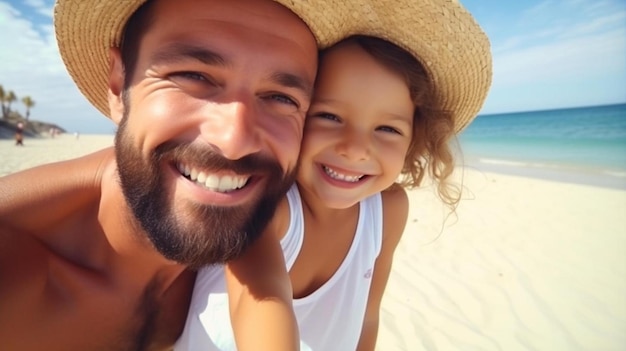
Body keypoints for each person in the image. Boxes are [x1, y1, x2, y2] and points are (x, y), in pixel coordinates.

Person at [0, 0, 381, 349]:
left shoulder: (270, 219)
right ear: (118, 86)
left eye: (281, 98)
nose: (235, 141)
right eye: (193, 76)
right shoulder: (15, 266)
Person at [176, 1, 492, 350]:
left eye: (387, 128)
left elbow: (367, 316)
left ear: (414, 139)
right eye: (329, 117)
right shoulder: (268, 208)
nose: (355, 149)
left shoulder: (387, 211)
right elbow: (261, 300)